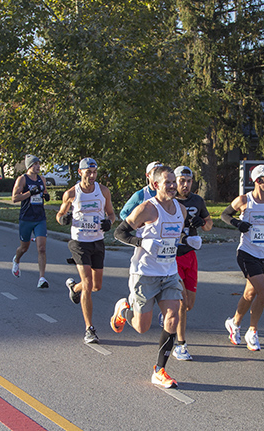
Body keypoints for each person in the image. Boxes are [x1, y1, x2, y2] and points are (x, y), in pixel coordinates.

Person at [110, 165, 186, 388]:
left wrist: (188, 244)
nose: (173, 186)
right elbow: (119, 233)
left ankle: (160, 370)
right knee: (142, 327)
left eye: (174, 181)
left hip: (169, 273)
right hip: (144, 274)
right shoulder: (147, 209)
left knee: (173, 317)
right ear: (155, 185)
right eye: (168, 182)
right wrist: (142, 242)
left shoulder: (181, 210)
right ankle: (124, 308)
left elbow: (173, 242)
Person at [220, 164, 264, 351]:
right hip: (247, 253)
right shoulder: (244, 200)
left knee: (250, 293)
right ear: (258, 181)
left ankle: (234, 323)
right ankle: (253, 331)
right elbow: (224, 214)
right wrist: (237, 223)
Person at [57, 158, 116, 345]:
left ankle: (74, 288)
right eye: (88, 172)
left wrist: (110, 222)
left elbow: (112, 214)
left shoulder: (103, 191)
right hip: (79, 242)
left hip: (97, 241)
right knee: (88, 283)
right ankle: (89, 329)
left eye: (94, 172)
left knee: (96, 286)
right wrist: (63, 219)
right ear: (80, 172)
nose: (91, 176)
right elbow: (59, 214)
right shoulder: (71, 193)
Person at [172, 165, 213, 361]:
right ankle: (180, 345)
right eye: (182, 181)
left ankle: (167, 310)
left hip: (191, 255)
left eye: (189, 181)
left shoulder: (197, 200)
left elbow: (209, 224)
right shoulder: (169, 200)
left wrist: (201, 222)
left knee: (189, 305)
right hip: (172, 256)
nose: (185, 185)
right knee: (181, 303)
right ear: (175, 181)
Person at [11, 155, 51, 288]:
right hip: (26, 218)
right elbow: (14, 198)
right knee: (24, 247)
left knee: (42, 248)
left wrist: (46, 195)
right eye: (35, 164)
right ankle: (16, 260)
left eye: (39, 164)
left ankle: (42, 278)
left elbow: (44, 192)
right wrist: (29, 193)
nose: (38, 166)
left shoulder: (42, 179)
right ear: (29, 166)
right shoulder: (22, 179)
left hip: (40, 218)